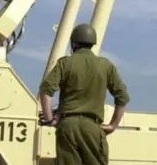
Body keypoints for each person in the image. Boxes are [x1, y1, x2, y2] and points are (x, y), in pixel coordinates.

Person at [39, 24, 130, 165]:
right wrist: (113, 125)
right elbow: (122, 97)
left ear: (73, 43)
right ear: (92, 43)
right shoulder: (106, 66)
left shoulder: (65, 63)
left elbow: (46, 90)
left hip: (67, 126)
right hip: (92, 127)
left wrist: (50, 119)